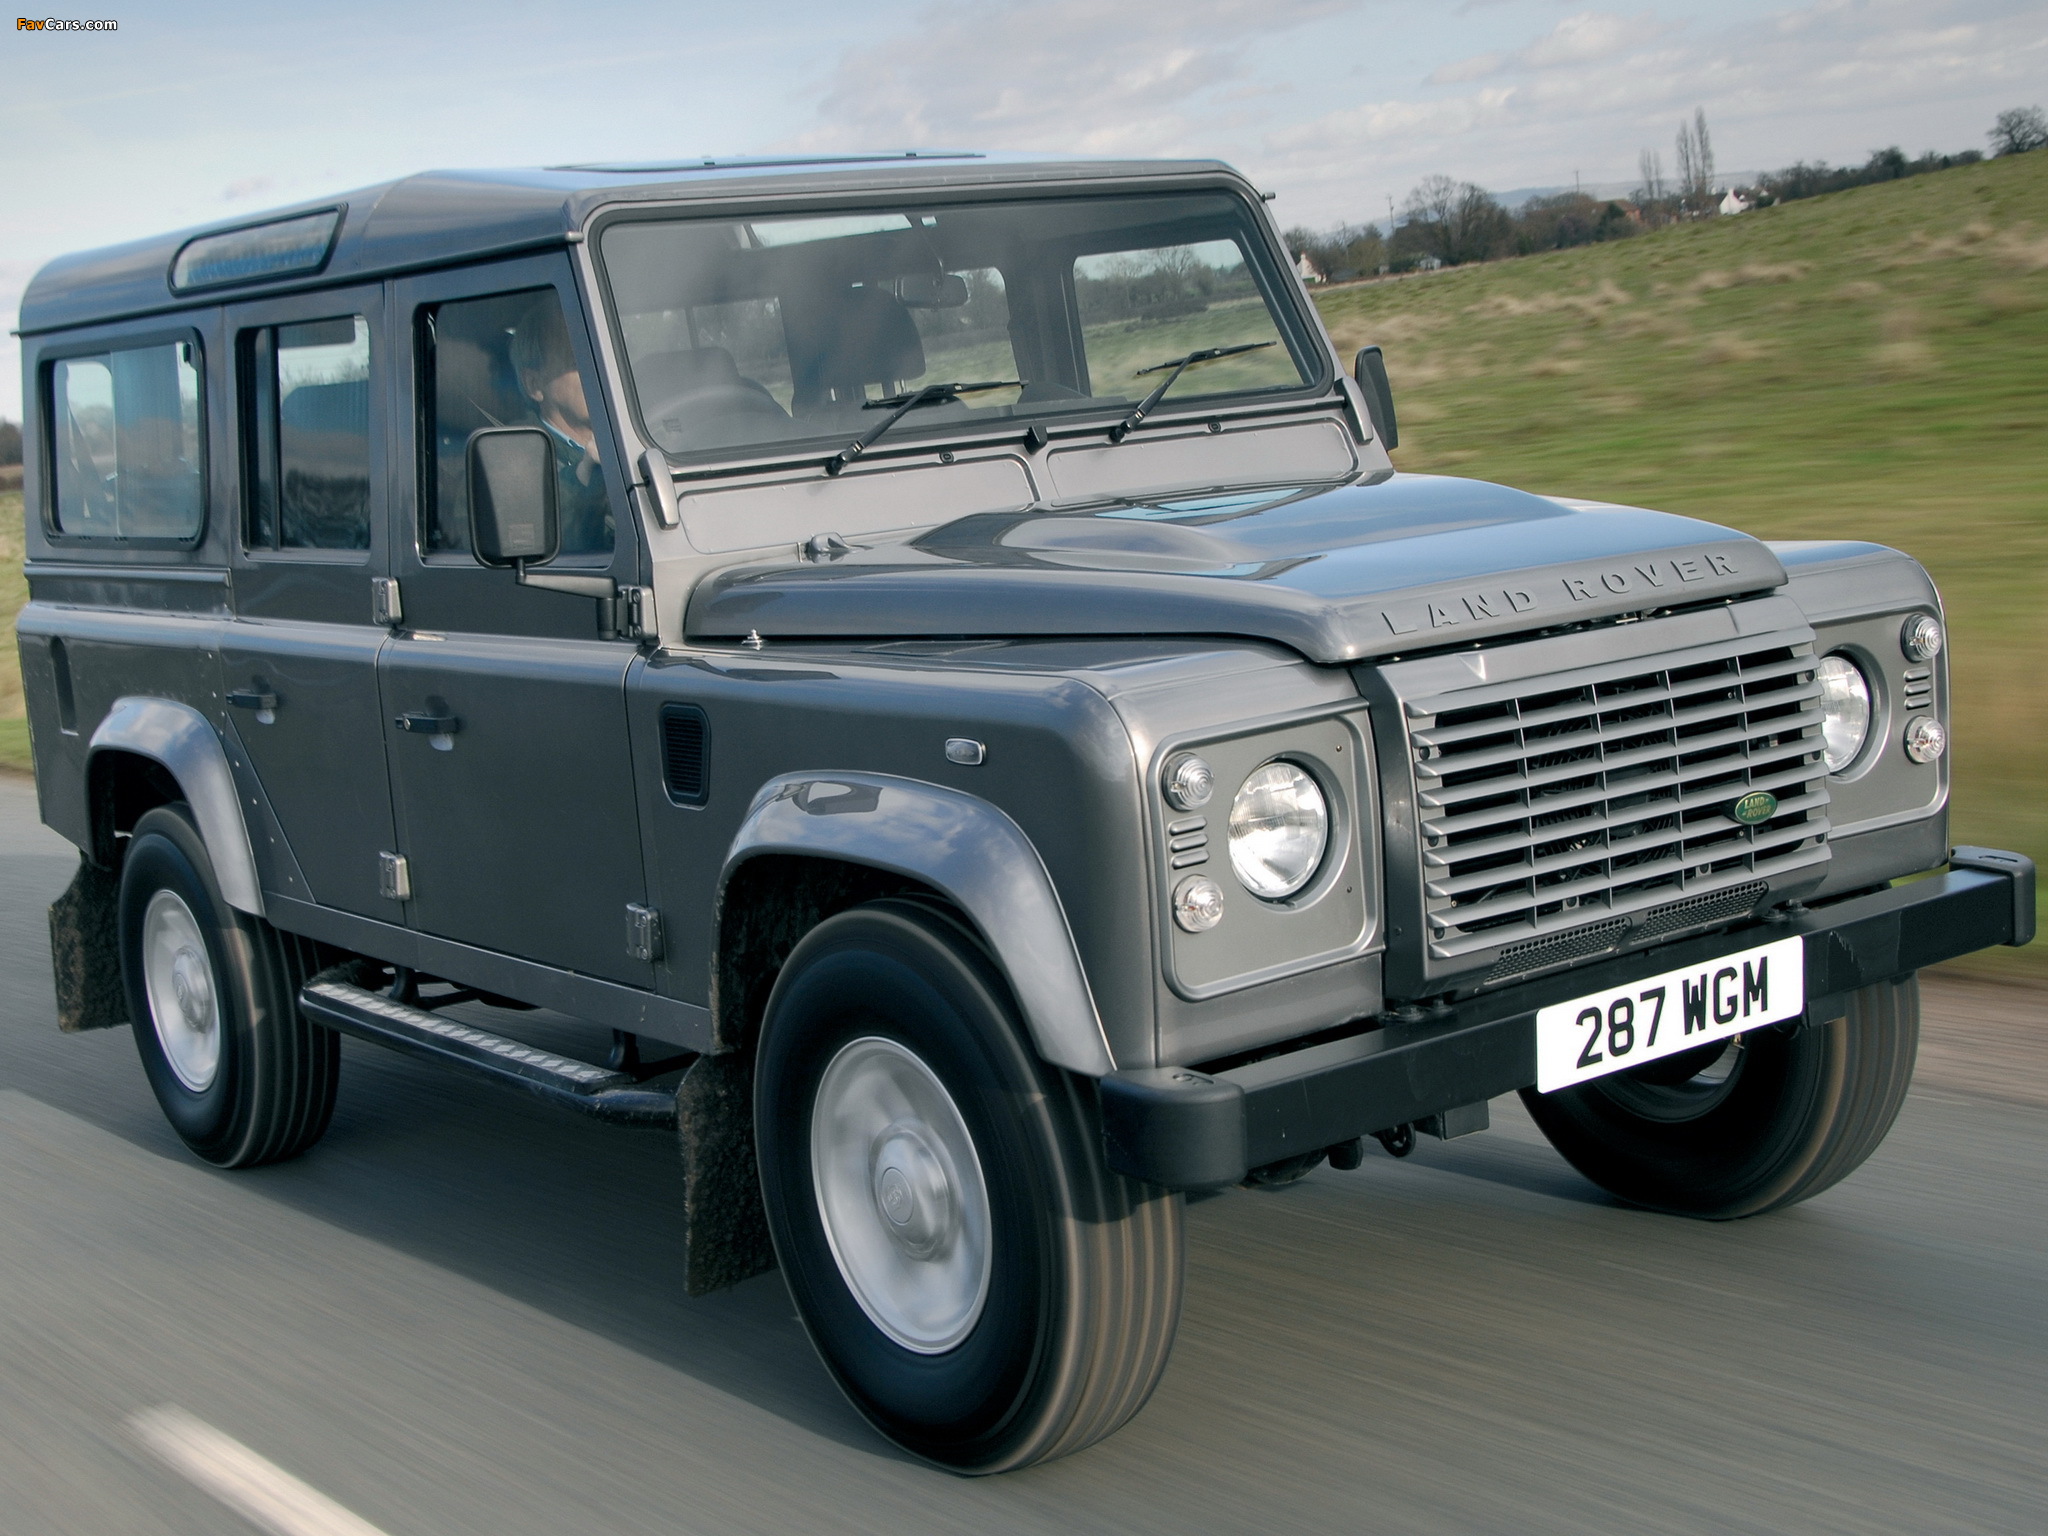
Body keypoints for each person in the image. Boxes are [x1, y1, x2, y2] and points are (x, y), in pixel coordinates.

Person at [506, 300, 613, 558]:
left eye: (604, 356)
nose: (599, 370)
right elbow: (525, 548)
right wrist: (584, 478)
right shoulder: (509, 459)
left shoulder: (646, 435)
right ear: (534, 384)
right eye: (578, 360)